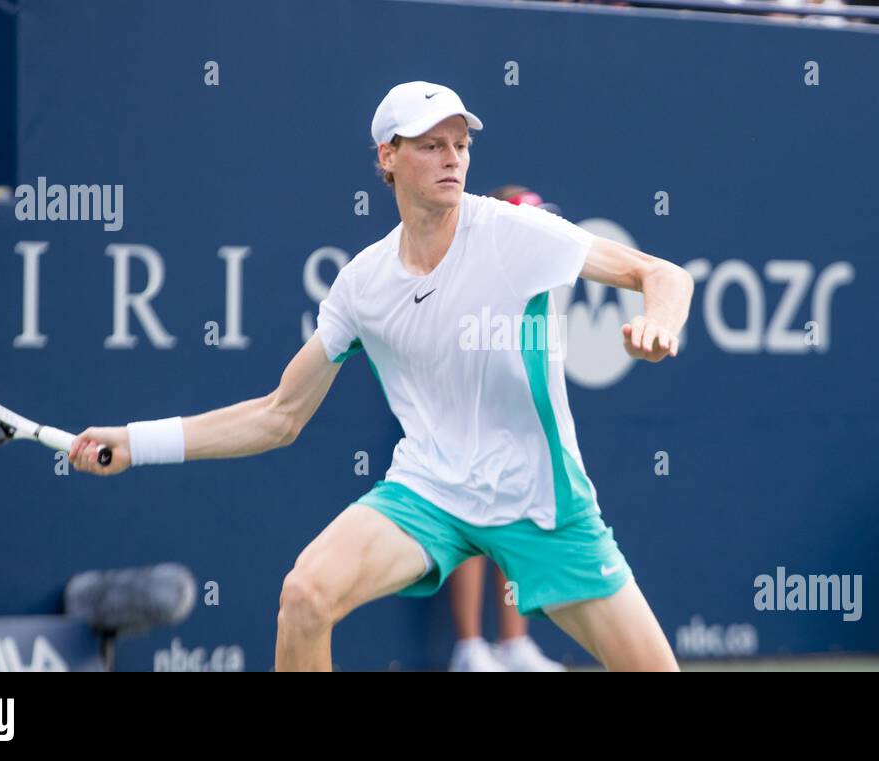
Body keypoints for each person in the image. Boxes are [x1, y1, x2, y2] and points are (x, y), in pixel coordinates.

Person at [69, 81, 693, 672]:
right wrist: (136, 441)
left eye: (461, 145)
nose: (452, 158)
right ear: (388, 157)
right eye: (431, 146)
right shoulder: (363, 285)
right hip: (430, 494)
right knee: (306, 596)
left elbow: (663, 275)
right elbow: (279, 415)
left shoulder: (514, 232)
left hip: (542, 503)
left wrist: (658, 324)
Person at [445, 184, 569, 673]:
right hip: (463, 428)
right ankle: (470, 648)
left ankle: (514, 644)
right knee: (472, 531)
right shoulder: (469, 279)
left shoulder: (541, 295)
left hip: (517, 430)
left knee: (515, 524)